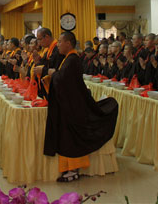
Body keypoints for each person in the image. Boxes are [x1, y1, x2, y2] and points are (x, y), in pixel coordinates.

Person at [44, 31, 118, 182]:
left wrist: (52, 73)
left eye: (60, 42)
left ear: (68, 43)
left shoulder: (73, 60)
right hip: (68, 104)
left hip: (73, 105)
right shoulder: (68, 58)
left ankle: (73, 170)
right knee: (67, 137)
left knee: (72, 138)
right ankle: (69, 168)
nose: (58, 45)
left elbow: (63, 80)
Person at [33, 28, 64, 98]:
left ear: (46, 37)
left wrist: (43, 69)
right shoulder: (47, 50)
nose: (39, 43)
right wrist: (37, 62)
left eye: (39, 39)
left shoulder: (57, 49)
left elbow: (55, 70)